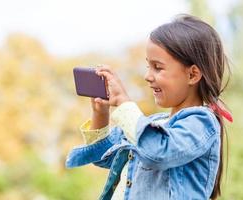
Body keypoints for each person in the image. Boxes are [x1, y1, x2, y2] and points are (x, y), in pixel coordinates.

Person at [66, 14, 233, 200]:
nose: (147, 76)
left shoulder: (202, 122)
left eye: (157, 67)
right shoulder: (152, 124)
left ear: (192, 75)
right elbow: (102, 157)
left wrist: (123, 102)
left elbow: (158, 152)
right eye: (148, 66)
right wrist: (101, 113)